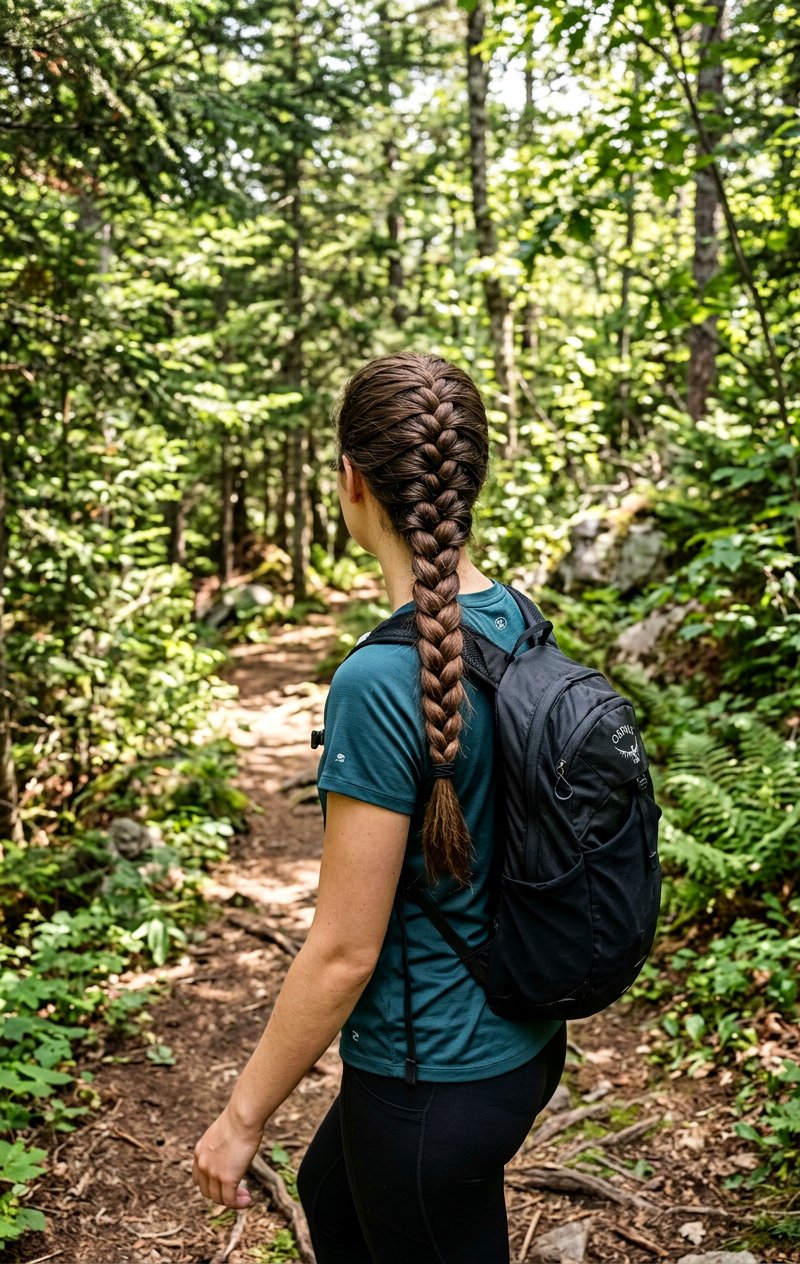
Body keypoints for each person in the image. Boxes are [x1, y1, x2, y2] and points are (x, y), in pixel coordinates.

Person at [192, 352, 567, 1262]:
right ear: (470, 477)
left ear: (351, 481)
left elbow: (344, 951)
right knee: (330, 1192)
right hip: (524, 1037)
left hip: (432, 1077)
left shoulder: (377, 681)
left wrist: (240, 1121)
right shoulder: (515, 619)